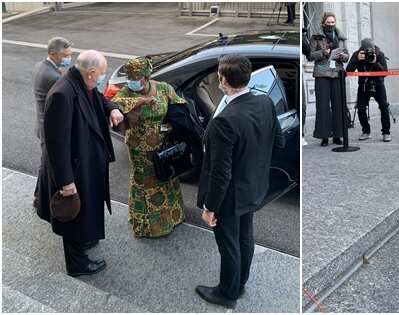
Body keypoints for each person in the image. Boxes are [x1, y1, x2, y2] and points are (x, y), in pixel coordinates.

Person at [195, 54, 284, 308]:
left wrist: (210, 207)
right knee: (245, 238)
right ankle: (240, 283)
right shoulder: (266, 102)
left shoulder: (224, 121)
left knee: (229, 245)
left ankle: (227, 293)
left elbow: (220, 173)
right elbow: (277, 141)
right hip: (255, 188)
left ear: (222, 81)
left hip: (230, 196)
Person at [35, 50, 124, 276]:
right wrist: (65, 182)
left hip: (86, 163)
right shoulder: (62, 94)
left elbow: (98, 98)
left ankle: (84, 242)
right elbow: (56, 144)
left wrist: (112, 108)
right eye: (102, 74)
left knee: (84, 211)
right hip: (73, 170)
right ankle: (77, 265)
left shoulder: (82, 81)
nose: (103, 79)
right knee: (72, 215)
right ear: (92, 73)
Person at [111, 57, 186, 238]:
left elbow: (180, 106)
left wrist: (172, 124)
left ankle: (173, 217)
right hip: (139, 149)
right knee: (145, 182)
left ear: (146, 77)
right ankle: (148, 226)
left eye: (135, 78)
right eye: (129, 78)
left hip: (163, 145)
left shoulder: (163, 88)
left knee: (166, 177)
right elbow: (114, 105)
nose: (131, 82)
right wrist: (141, 101)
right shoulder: (127, 92)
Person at [32, 37, 73, 212]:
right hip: (48, 129)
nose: (68, 58)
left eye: (70, 54)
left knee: (45, 162)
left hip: (41, 124)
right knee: (47, 164)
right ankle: (40, 199)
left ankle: (38, 197)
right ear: (52, 54)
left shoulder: (41, 66)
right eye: (65, 55)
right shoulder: (53, 76)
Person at [308, 12, 349, 147]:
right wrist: (323, 53)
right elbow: (310, 55)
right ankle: (324, 136)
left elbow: (347, 55)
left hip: (337, 73)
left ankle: (338, 135)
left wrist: (342, 56)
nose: (331, 24)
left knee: (338, 105)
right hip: (322, 73)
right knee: (323, 106)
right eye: (328, 22)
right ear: (323, 23)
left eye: (333, 22)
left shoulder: (340, 37)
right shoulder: (316, 37)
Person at [346, 38, 391, 142]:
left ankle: (386, 132)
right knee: (361, 108)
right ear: (362, 48)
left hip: (378, 84)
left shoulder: (379, 54)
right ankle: (366, 131)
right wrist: (357, 59)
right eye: (366, 49)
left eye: (370, 49)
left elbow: (385, 72)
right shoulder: (357, 54)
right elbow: (349, 70)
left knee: (384, 107)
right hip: (364, 85)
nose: (368, 52)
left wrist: (375, 62)